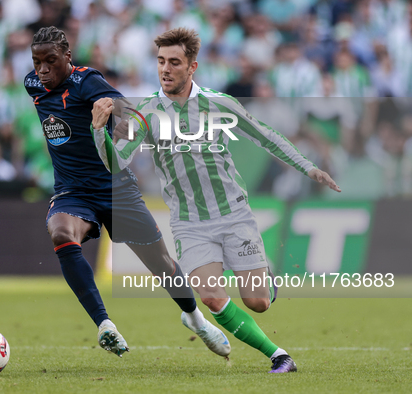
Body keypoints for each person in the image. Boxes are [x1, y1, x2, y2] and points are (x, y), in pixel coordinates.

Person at [92, 27, 341, 373]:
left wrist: (309, 168)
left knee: (258, 303)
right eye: (161, 61)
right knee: (210, 297)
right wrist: (97, 130)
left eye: (174, 62)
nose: (165, 69)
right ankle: (280, 356)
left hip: (233, 214)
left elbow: (266, 137)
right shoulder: (145, 112)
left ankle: (264, 280)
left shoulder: (219, 104)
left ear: (192, 66)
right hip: (189, 222)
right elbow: (116, 163)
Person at [25, 26, 230, 358]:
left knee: (161, 264)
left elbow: (123, 106)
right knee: (61, 232)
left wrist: (122, 120)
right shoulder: (32, 84)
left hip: (115, 189)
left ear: (67, 57)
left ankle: (195, 319)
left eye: (50, 61)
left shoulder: (86, 81)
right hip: (73, 191)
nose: (43, 70)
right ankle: (105, 324)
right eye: (37, 62)